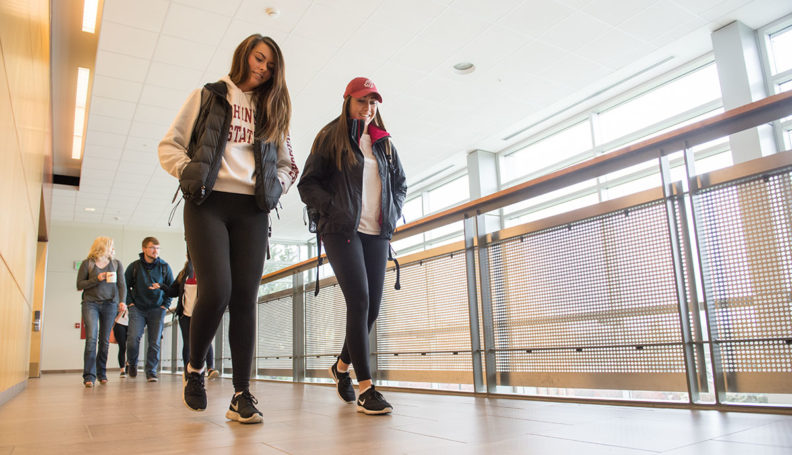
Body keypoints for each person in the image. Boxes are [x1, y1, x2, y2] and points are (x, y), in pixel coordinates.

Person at [158, 33, 298, 424]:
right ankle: (195, 368)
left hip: (252, 210)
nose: (263, 68)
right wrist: (189, 173)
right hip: (208, 203)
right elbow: (170, 145)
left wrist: (276, 190)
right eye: (259, 58)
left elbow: (290, 165)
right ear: (244, 55)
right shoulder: (209, 95)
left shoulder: (273, 110)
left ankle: (242, 394)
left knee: (244, 300)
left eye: (271, 65)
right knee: (216, 289)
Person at [297, 77, 407, 415]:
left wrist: (392, 213)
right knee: (358, 300)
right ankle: (366, 388)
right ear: (347, 101)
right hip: (341, 230)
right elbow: (308, 183)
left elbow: (400, 184)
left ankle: (341, 368)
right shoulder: (330, 137)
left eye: (373, 102)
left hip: (376, 234)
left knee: (371, 308)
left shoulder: (384, 144)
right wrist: (332, 208)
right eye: (362, 101)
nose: (368, 108)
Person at [76, 236, 126, 387]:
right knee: (91, 338)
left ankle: (101, 373)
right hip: (90, 304)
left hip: (110, 305)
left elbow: (122, 285)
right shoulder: (88, 264)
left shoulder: (116, 264)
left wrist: (122, 301)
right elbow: (79, 285)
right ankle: (89, 376)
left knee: (104, 340)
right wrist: (96, 279)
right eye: (110, 246)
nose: (112, 249)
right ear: (102, 247)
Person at [124, 236, 175, 382]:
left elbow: (171, 288)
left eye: (158, 248)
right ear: (144, 249)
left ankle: (151, 371)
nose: (155, 251)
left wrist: (165, 305)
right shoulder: (134, 267)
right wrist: (130, 303)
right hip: (137, 309)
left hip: (157, 309)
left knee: (154, 342)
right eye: (152, 248)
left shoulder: (164, 267)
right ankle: (132, 363)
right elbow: (124, 285)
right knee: (133, 339)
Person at [166, 254, 220, 379]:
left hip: (201, 314)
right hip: (185, 314)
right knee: (188, 343)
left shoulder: (206, 271)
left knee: (205, 340)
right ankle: (188, 371)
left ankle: (210, 368)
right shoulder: (183, 273)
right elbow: (173, 291)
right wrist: (163, 288)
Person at [112, 306, 129, 377]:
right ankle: (122, 369)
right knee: (122, 347)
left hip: (133, 323)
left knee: (132, 346)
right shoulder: (120, 299)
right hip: (119, 323)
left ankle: (128, 363)